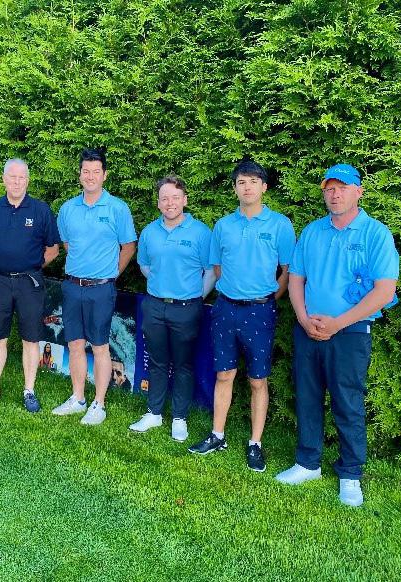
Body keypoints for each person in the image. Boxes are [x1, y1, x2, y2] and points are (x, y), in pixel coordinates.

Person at [276, 163, 399, 507]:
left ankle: (351, 474)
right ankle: (307, 463)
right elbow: (296, 279)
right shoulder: (312, 232)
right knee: (307, 397)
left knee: (347, 403)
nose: (335, 194)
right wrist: (303, 319)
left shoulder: (376, 234)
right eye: (329, 188)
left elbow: (384, 290)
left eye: (342, 188)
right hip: (308, 330)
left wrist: (337, 323)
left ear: (358, 191)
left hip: (351, 332)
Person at [188, 160, 296, 471]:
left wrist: (266, 299)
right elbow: (217, 267)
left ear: (264, 187)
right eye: (241, 182)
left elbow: (287, 271)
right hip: (225, 308)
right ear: (235, 188)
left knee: (257, 380)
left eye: (253, 181)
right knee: (224, 375)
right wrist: (235, 293)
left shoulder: (280, 225)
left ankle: (255, 444)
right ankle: (217, 435)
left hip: (260, 311)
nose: (247, 187)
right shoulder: (223, 226)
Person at [52, 148, 137, 425]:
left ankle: (99, 404)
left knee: (100, 346)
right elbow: (67, 244)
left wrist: (111, 274)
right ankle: (78, 398)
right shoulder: (68, 209)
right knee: (75, 343)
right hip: (72, 286)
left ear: (104, 175)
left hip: (101, 288)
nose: (90, 176)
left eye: (96, 172)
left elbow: (128, 246)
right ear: (79, 175)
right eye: (85, 171)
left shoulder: (118, 208)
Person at [129, 175, 214, 441]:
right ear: (158, 203)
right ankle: (154, 413)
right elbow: (144, 265)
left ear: (185, 200)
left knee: (183, 364)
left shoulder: (200, 232)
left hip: (187, 308)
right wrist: (161, 285)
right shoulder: (149, 232)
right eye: (164, 198)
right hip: (154, 306)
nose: (170, 203)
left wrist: (194, 297)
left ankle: (179, 418)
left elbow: (211, 270)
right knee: (157, 361)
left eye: (175, 198)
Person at [0, 159, 60, 412]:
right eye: (12, 177)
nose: (17, 182)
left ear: (28, 181)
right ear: (4, 179)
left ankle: (29, 391)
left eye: (22, 177)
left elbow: (53, 249)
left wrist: (31, 267)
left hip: (29, 283)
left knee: (30, 339)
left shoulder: (41, 210)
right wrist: (0, 262)